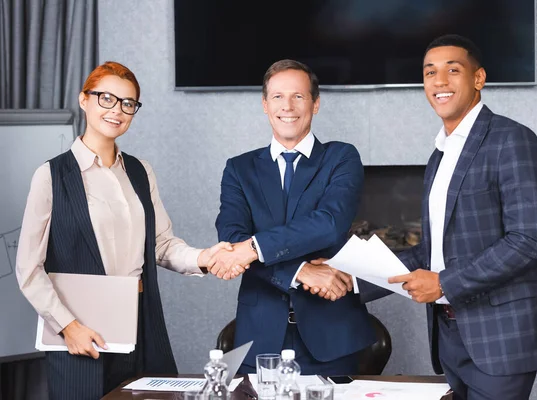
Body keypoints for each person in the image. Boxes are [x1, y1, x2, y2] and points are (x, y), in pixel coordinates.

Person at [15, 61, 231, 400]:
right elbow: (28, 268)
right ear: (84, 99)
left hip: (141, 319)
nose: (117, 110)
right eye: (106, 98)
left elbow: (162, 244)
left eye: (128, 103)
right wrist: (67, 326)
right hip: (79, 329)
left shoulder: (141, 171)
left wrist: (205, 257)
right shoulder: (51, 176)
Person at [387, 35, 537, 399]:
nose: (439, 81)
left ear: (478, 78)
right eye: (429, 72)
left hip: (500, 338)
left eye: (453, 70)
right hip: (450, 336)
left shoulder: (512, 139)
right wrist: (348, 276)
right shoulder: (439, 154)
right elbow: (431, 253)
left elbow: (528, 241)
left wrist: (445, 283)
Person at [210, 59, 375, 375]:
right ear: (264, 104)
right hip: (259, 337)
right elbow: (232, 242)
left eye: (298, 96)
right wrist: (299, 271)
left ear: (315, 103)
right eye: (277, 96)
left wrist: (254, 247)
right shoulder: (239, 169)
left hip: (333, 335)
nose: (287, 106)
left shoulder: (341, 157)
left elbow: (328, 224)